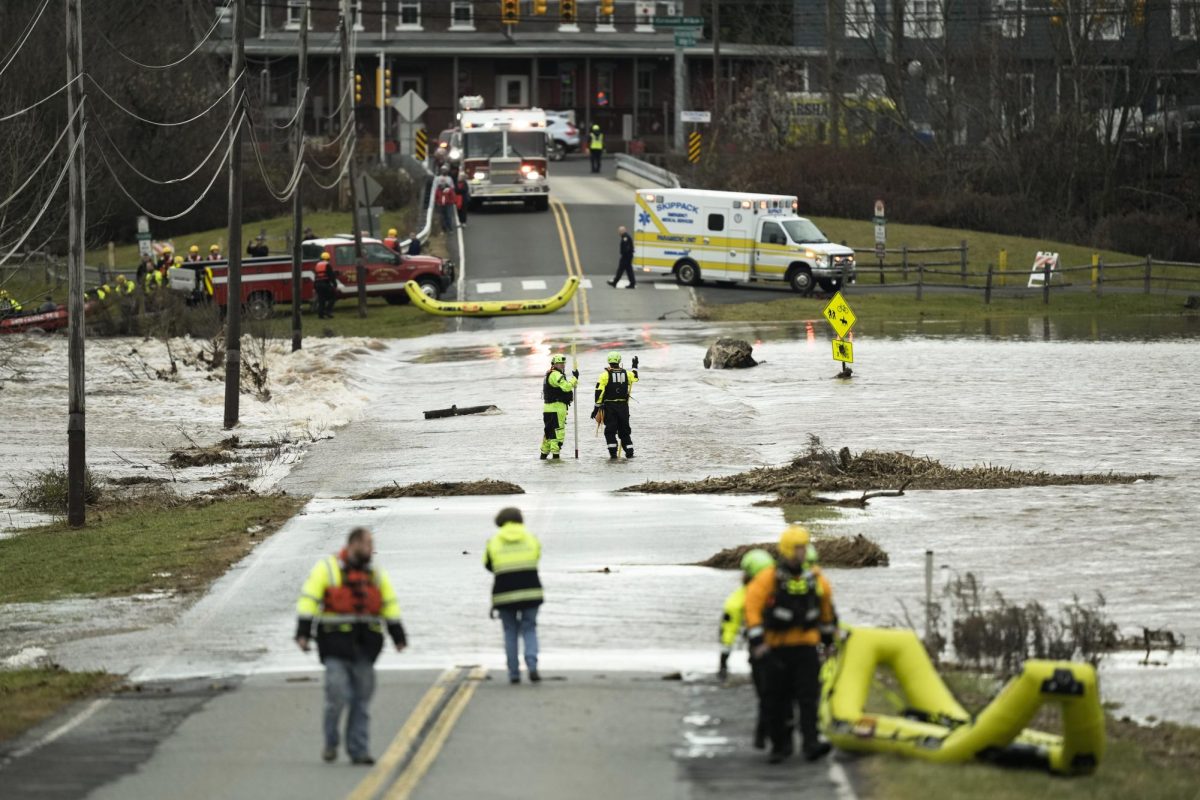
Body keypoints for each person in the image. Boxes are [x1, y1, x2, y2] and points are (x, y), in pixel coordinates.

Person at [296, 527, 406, 765]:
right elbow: (309, 599)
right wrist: (303, 632)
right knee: (336, 697)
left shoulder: (375, 574)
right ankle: (331, 741)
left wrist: (398, 636)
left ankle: (359, 750)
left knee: (361, 702)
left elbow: (389, 604)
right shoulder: (327, 569)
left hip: (365, 649)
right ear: (354, 544)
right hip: (335, 646)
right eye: (367, 544)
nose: (371, 549)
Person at [744, 526, 836, 764]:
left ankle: (810, 743)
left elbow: (826, 610)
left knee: (808, 698)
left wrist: (828, 642)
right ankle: (780, 745)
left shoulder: (816, 578)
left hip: (806, 648)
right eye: (797, 548)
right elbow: (752, 608)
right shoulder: (768, 579)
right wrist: (758, 643)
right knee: (776, 699)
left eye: (804, 547)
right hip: (776, 650)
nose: (802, 553)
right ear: (786, 549)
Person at [719, 548, 777, 749]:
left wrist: (723, 662)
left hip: (760, 652)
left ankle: (765, 735)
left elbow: (728, 631)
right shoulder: (783, 590)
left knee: (767, 695)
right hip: (781, 651)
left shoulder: (739, 598)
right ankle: (770, 735)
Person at [484, 507, 544, 685]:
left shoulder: (493, 542)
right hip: (531, 591)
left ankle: (514, 673)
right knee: (529, 628)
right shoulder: (531, 538)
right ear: (520, 520)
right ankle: (532, 665)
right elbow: (536, 557)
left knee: (510, 630)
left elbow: (488, 565)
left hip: (504, 592)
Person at [591, 351, 638, 459]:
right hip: (623, 407)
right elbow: (635, 378)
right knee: (624, 431)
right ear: (619, 361)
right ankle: (630, 454)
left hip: (610, 407)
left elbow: (599, 392)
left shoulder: (604, 375)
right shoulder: (627, 373)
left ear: (609, 362)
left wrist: (596, 408)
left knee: (610, 431)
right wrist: (635, 366)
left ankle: (613, 454)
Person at [540, 353, 578, 460]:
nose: (562, 365)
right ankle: (556, 460)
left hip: (549, 408)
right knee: (558, 434)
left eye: (563, 363)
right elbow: (566, 387)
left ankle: (543, 458)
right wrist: (575, 378)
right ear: (554, 364)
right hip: (556, 408)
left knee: (549, 434)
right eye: (559, 363)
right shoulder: (556, 375)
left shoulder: (550, 374)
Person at [314, 251, 338, 319]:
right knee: (333, 296)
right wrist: (334, 284)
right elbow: (331, 276)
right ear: (328, 258)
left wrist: (314, 287)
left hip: (317, 284)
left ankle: (320, 315)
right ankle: (328, 311)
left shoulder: (317, 265)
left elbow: (316, 276)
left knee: (321, 299)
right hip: (324, 284)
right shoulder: (327, 265)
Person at [435, 167, 458, 234]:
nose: (444, 171)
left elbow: (452, 190)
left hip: (448, 203)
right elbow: (435, 193)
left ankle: (450, 228)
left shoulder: (449, 180)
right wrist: (436, 202)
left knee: (448, 216)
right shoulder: (437, 180)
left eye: (445, 170)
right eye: (443, 170)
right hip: (440, 203)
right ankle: (443, 229)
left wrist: (452, 201)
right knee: (442, 216)